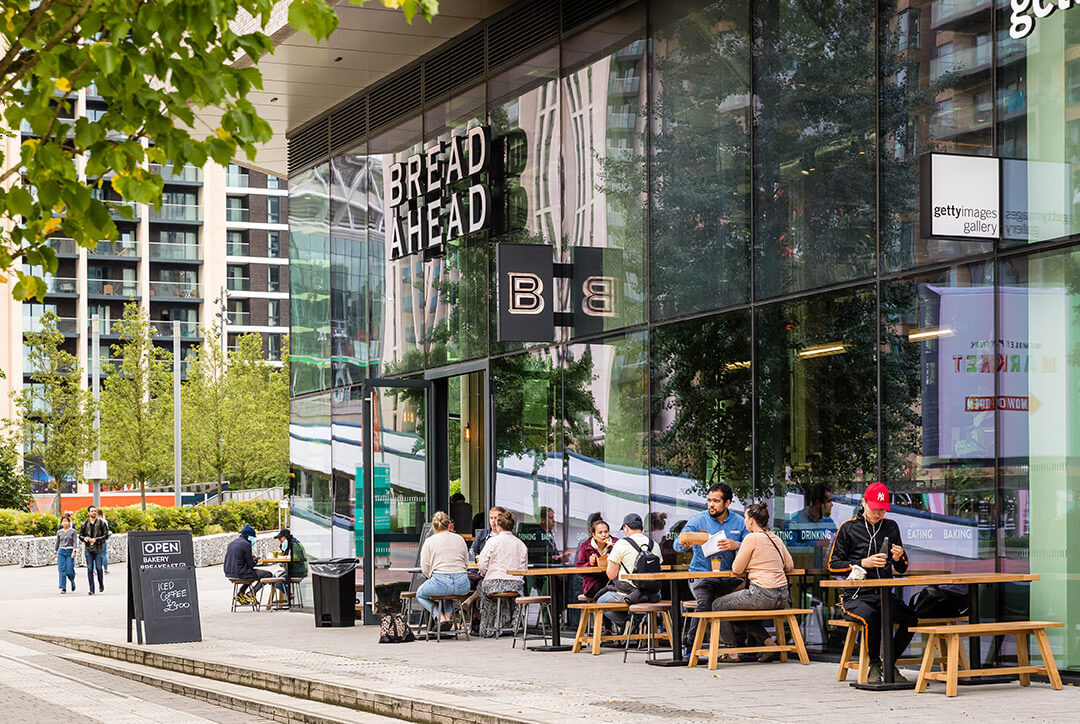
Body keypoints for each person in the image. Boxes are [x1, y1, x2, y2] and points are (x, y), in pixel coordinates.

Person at [828, 482, 915, 684]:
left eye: (882, 510)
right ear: (864, 503)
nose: (878, 514)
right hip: (855, 596)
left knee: (910, 618)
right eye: (874, 508)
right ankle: (874, 663)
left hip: (884, 594)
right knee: (872, 617)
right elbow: (832, 565)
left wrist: (899, 556)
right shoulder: (848, 528)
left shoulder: (891, 526)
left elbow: (902, 567)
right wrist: (861, 563)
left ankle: (889, 662)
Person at [711, 502, 794, 663]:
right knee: (739, 614)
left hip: (762, 594)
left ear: (750, 520)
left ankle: (731, 652)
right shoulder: (775, 537)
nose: (744, 521)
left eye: (745, 517)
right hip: (782, 596)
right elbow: (789, 565)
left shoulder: (751, 538)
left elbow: (736, 568)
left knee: (717, 605)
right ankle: (770, 645)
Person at [673, 482, 747, 642]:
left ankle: (741, 646)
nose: (711, 505)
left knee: (740, 605)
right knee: (705, 603)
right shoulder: (697, 520)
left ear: (727, 503)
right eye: (709, 500)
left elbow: (753, 545)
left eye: (716, 501)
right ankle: (690, 645)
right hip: (701, 576)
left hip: (729, 579)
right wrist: (686, 542)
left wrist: (737, 545)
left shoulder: (740, 522)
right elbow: (677, 545)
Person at [596, 513, 662, 630]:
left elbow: (611, 575)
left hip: (629, 594)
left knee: (601, 602)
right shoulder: (654, 544)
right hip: (652, 594)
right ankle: (639, 623)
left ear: (626, 528)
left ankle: (630, 624)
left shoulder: (621, 544)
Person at [475, 509, 528, 637]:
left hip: (494, 583)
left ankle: (489, 626)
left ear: (499, 526)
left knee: (481, 589)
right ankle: (509, 624)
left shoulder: (492, 542)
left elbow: (482, 565)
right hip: (515, 585)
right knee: (507, 595)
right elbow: (523, 569)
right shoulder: (521, 544)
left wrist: (485, 574)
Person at [416, 511, 470, 629]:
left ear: (434, 527)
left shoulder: (429, 541)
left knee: (420, 594)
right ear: (449, 525)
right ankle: (447, 616)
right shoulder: (459, 539)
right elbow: (466, 564)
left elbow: (425, 567)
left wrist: (431, 576)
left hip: (440, 582)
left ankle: (439, 616)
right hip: (462, 584)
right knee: (449, 595)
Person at [224, 524, 272, 605]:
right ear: (249, 536)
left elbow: (239, 558)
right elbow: (251, 565)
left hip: (228, 573)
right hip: (240, 573)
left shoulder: (232, 543)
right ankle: (251, 593)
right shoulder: (246, 544)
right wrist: (256, 559)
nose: (253, 539)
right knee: (268, 574)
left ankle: (241, 593)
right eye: (253, 537)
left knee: (252, 574)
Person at [575, 518, 615, 601]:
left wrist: (618, 551)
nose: (604, 535)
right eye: (600, 532)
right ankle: (602, 613)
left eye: (606, 532)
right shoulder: (586, 546)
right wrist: (590, 563)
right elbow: (579, 569)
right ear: (593, 535)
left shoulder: (616, 544)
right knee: (601, 588)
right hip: (594, 583)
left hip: (612, 580)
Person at [78, 505, 110, 595]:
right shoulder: (84, 524)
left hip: (98, 548)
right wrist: (85, 538)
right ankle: (91, 589)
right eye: (92, 511)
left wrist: (97, 539)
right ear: (88, 513)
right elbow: (80, 535)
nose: (94, 513)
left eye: (95, 511)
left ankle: (101, 583)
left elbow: (106, 535)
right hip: (88, 549)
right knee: (90, 568)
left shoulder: (101, 523)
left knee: (99, 568)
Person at [272, 527, 308, 600]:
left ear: (285, 537)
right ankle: (288, 595)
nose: (279, 541)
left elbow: (293, 562)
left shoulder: (294, 545)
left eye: (280, 538)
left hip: (298, 572)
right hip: (295, 570)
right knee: (274, 575)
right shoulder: (292, 543)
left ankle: (289, 595)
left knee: (275, 580)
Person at [54, 515, 77, 593]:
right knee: (62, 570)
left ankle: (72, 580)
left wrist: (74, 551)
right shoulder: (59, 532)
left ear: (69, 522)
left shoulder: (73, 531)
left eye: (66, 521)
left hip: (70, 551)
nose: (65, 523)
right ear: (61, 523)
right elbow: (57, 543)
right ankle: (63, 587)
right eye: (63, 521)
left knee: (69, 570)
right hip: (61, 551)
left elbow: (75, 542)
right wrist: (55, 552)